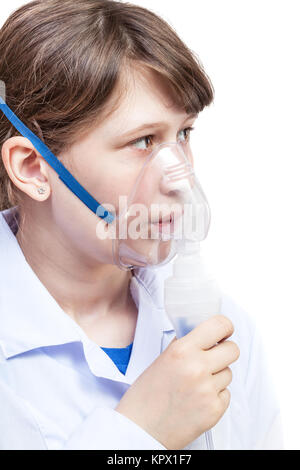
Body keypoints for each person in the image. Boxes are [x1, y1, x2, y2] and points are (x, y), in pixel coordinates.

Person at [0, 0, 283, 450]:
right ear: (34, 168)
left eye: (184, 134)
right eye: (142, 141)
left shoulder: (224, 327)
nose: (179, 180)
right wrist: (137, 435)